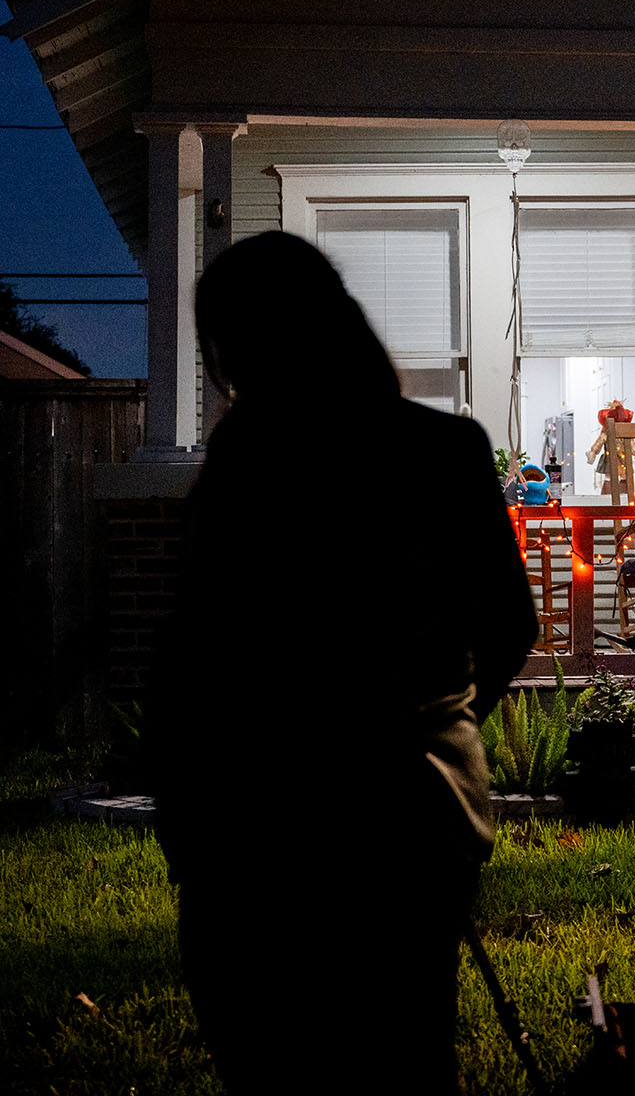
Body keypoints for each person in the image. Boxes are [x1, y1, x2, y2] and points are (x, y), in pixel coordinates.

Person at [147, 232, 538, 1093]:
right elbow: (511, 623)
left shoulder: (247, 464)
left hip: (257, 816)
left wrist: (189, 810)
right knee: (403, 1049)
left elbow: (197, 653)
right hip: (416, 807)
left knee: (275, 1055)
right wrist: (442, 717)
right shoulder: (445, 449)